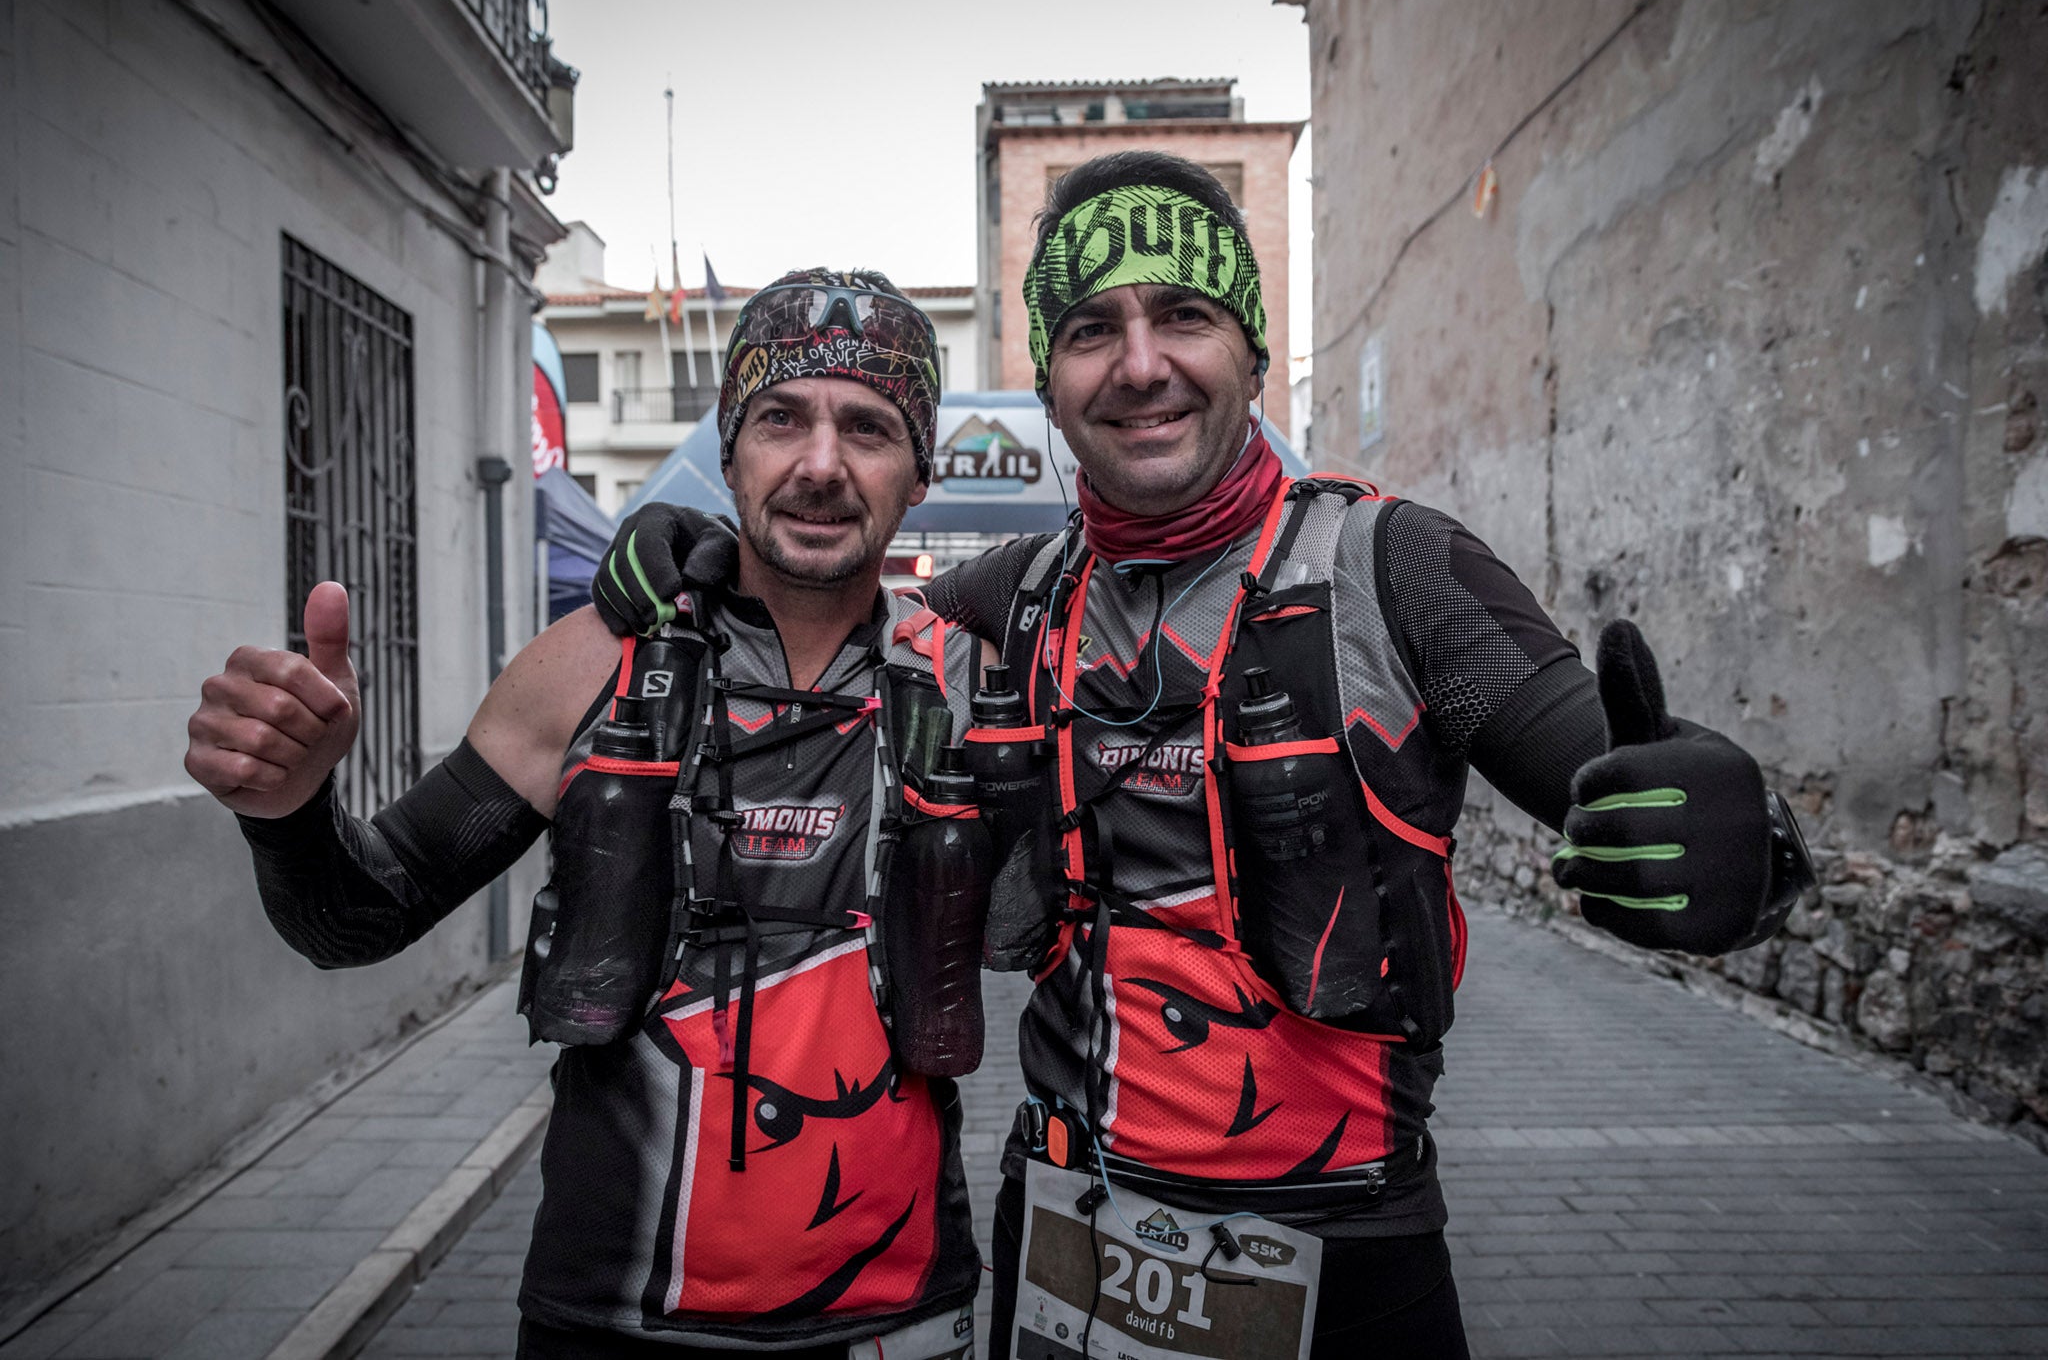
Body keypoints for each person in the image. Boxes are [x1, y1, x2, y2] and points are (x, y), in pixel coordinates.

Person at [592, 155, 1814, 1360]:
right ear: (1050, 381)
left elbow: (1620, 777)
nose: (1139, 364)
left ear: (1253, 356)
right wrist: (700, 550)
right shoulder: (1001, 604)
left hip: (1349, 1258)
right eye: (1090, 329)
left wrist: (1739, 848)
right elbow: (825, 599)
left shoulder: (1393, 571)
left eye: (1182, 315)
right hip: (1063, 1243)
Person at [186, 269, 994, 1358]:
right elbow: (357, 918)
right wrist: (289, 810)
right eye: (779, 418)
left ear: (920, 472)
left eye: (868, 427)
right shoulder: (589, 666)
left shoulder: (970, 690)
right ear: (727, 445)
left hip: (898, 1314)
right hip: (610, 1321)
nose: (818, 464)